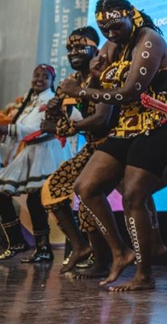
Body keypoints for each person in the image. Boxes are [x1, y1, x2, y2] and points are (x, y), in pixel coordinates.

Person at [63, 0, 167, 291]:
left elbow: (130, 92)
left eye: (116, 26)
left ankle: (144, 275)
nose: (110, 33)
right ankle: (120, 252)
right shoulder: (112, 46)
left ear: (130, 15)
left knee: (133, 195)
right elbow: (98, 93)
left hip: (158, 124)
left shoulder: (149, 40)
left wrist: (81, 91)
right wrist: (92, 78)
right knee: (85, 187)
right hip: (126, 126)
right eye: (105, 29)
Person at [40, 27, 115, 274]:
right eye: (69, 48)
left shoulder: (104, 75)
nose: (73, 52)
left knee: (88, 200)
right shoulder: (70, 83)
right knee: (51, 190)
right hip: (92, 148)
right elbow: (52, 122)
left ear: (95, 49)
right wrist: (53, 111)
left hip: (113, 146)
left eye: (80, 47)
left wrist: (68, 127)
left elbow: (102, 119)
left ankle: (103, 262)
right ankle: (80, 247)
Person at [0, 64, 75, 262]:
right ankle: (17, 242)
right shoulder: (30, 102)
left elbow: (38, 129)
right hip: (31, 154)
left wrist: (5, 129)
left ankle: (51, 248)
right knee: (1, 193)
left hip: (47, 154)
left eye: (45, 76)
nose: (39, 79)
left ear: (52, 81)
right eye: (37, 75)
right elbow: (22, 130)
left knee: (40, 201)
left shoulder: (51, 101)